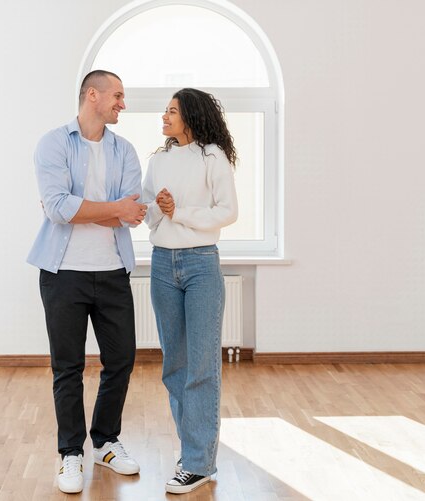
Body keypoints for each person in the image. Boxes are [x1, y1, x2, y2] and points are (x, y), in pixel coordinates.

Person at [28, 70, 146, 494]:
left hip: (112, 270)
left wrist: (87, 208)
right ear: (91, 96)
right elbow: (59, 208)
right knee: (68, 367)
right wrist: (111, 207)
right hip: (63, 274)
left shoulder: (125, 150)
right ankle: (70, 454)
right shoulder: (54, 143)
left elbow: (131, 212)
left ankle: (106, 441)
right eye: (116, 95)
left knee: (122, 361)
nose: (122, 103)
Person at [142, 88, 238, 494]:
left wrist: (177, 210)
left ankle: (199, 463)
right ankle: (193, 451)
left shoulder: (212, 156)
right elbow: (148, 216)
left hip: (200, 263)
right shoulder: (158, 160)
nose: (165, 117)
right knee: (175, 367)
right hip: (163, 265)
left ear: (191, 117)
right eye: (164, 111)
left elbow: (228, 212)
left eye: (172, 111)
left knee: (201, 367)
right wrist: (157, 207)